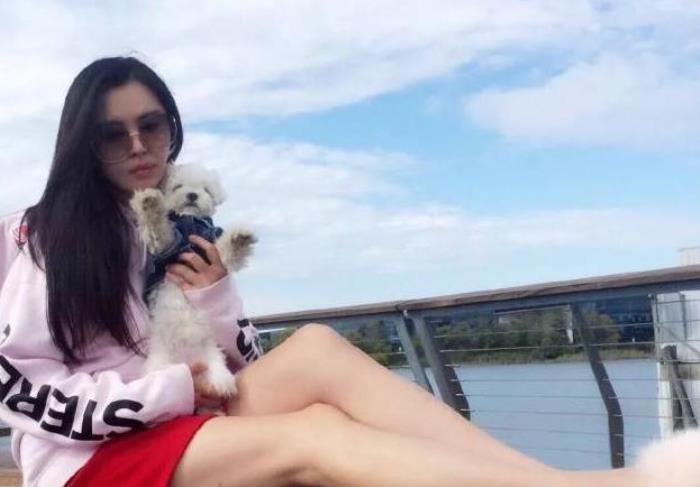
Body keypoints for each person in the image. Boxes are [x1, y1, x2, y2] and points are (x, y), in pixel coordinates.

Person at [0, 56, 688, 487]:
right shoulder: (47, 236)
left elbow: (244, 358)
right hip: (93, 458)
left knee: (318, 348)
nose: (138, 145)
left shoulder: (182, 225)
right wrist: (169, 390)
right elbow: (22, 388)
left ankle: (558, 482)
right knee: (317, 436)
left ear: (171, 127)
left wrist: (212, 296)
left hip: (185, 410)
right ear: (82, 144)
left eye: (151, 126)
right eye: (112, 133)